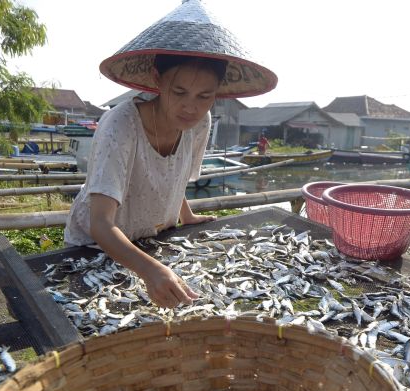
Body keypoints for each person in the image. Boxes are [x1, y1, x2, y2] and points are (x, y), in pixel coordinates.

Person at [64, 0, 276, 309]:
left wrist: (186, 216)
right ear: (158, 80)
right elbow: (101, 223)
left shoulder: (199, 123)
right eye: (179, 93)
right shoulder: (120, 125)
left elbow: (174, 176)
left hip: (145, 239)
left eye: (205, 96)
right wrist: (151, 270)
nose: (191, 107)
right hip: (94, 246)